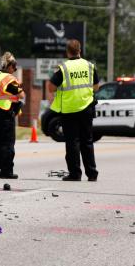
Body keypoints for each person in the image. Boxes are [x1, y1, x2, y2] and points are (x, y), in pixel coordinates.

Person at [49, 39, 100, 182]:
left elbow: (51, 87)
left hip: (69, 110)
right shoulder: (90, 66)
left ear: (67, 52)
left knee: (72, 143)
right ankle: (92, 173)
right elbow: (96, 87)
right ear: (80, 51)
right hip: (87, 108)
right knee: (87, 142)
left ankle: (75, 174)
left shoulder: (64, 68)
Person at [0, 52, 25, 179]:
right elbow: (21, 95)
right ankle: (7, 171)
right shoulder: (9, 79)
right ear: (8, 66)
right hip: (4, 113)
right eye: (14, 66)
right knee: (6, 143)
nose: (15, 69)